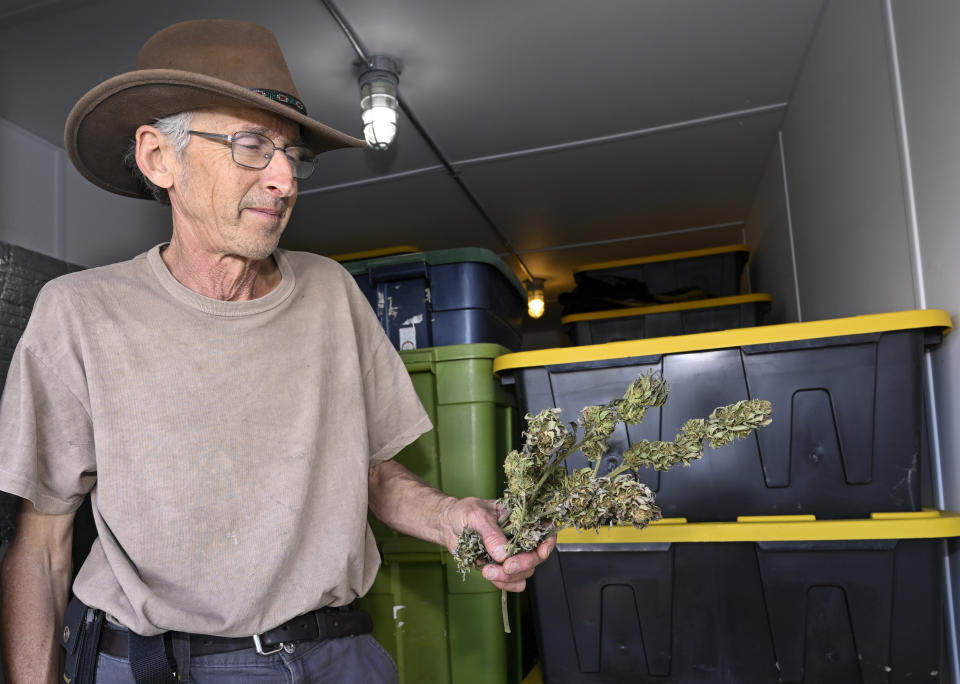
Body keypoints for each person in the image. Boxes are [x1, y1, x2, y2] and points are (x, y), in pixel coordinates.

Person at [0, 18, 554, 684]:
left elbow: (371, 473)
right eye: (252, 145)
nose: (286, 180)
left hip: (341, 656)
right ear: (158, 158)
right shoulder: (80, 313)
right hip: (165, 668)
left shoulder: (330, 293)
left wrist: (453, 517)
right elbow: (41, 548)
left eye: (294, 155)